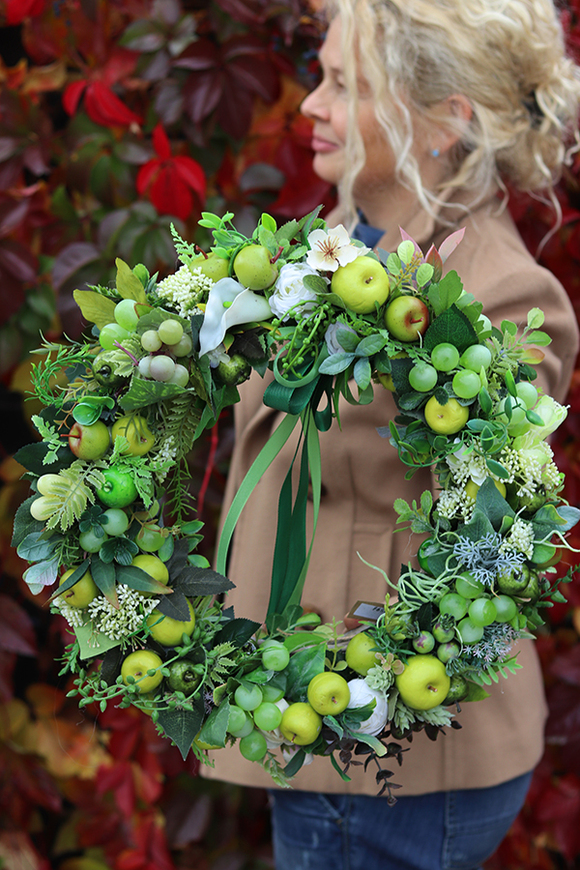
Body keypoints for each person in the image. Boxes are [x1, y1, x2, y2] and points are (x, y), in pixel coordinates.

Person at [203, 1, 580, 868]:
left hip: (388, 767)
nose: (310, 106)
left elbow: (495, 546)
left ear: (446, 119)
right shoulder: (334, 245)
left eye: (345, 84)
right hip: (323, 742)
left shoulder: (502, 301)